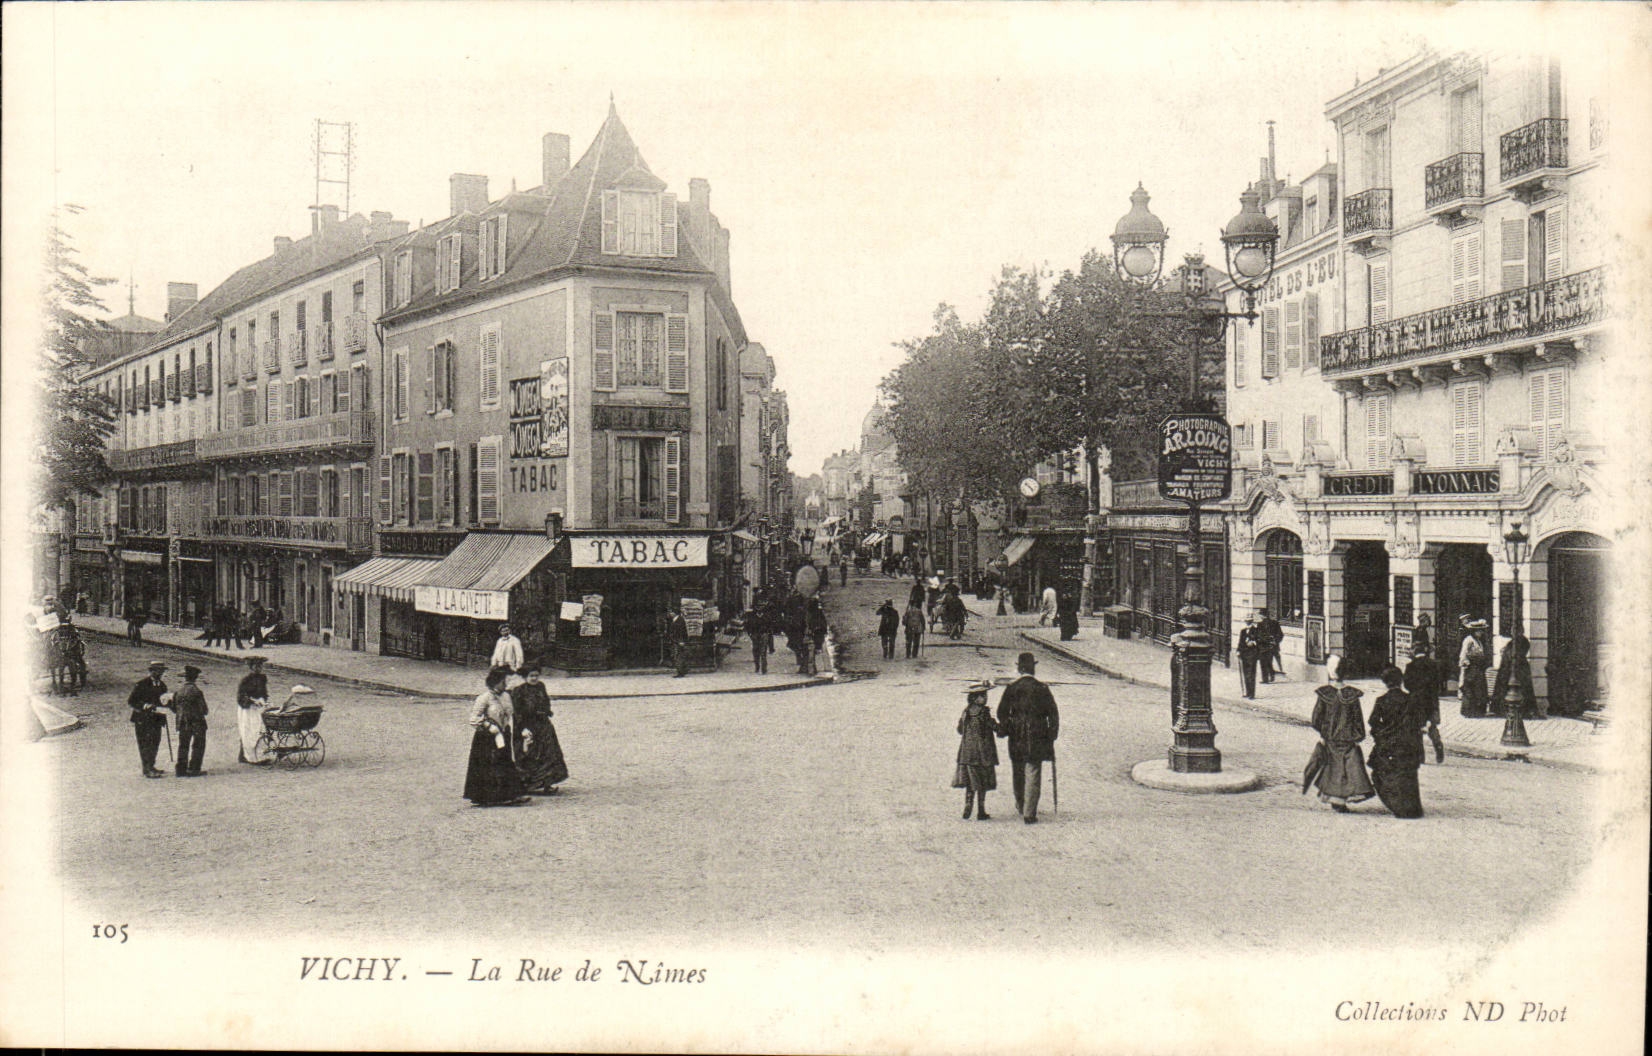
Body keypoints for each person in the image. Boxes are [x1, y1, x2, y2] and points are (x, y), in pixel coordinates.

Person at [1305, 654, 1375, 812]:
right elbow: (1358, 719)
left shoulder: (1325, 694)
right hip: (1348, 739)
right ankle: (1342, 799)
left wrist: (1324, 733)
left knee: (1333, 768)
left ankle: (1335, 799)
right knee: (1348, 769)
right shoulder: (1352, 695)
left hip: (1330, 738)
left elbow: (1316, 718)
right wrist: (1358, 736)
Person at [995, 652, 1059, 824]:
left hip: (1016, 735)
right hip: (1038, 734)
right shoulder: (1042, 689)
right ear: (1033, 669)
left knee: (1018, 770)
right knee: (1033, 771)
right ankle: (1029, 813)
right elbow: (1053, 713)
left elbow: (1001, 712)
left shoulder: (1012, 688)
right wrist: (1052, 734)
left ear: (1019, 668)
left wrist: (1007, 726)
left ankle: (1020, 804)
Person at [464, 667, 530, 807]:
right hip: (487, 738)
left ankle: (512, 794)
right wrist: (488, 726)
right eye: (502, 682)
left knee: (505, 763)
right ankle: (486, 797)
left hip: (503, 734)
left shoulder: (506, 696)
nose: (505, 685)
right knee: (487, 766)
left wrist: (521, 728)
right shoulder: (484, 698)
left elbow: (512, 714)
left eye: (505, 682)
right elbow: (474, 718)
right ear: (494, 683)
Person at [1367, 666, 1426, 819]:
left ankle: (1395, 804)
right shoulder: (1410, 700)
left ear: (1385, 682)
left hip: (1388, 743)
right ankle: (1412, 807)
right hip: (1407, 743)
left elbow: (1373, 721)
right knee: (1408, 775)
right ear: (1401, 681)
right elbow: (1419, 721)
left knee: (1385, 773)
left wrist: (1380, 734)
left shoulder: (1381, 701)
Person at [512, 664, 567, 795]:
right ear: (525, 677)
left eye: (536, 675)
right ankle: (528, 785)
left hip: (543, 726)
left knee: (549, 753)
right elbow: (517, 712)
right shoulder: (519, 691)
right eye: (531, 676)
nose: (534, 678)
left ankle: (548, 784)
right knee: (530, 755)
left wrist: (545, 711)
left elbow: (546, 702)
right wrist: (522, 728)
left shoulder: (541, 687)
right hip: (527, 727)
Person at [953, 680, 1000, 820]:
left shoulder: (966, 712)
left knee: (970, 781)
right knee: (983, 780)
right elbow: (992, 726)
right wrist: (1001, 727)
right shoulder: (984, 712)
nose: (985, 698)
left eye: (985, 695)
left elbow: (960, 730)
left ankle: (968, 804)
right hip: (983, 752)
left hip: (967, 752)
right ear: (974, 698)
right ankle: (981, 810)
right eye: (982, 695)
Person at [127, 660, 171, 778]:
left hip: (157, 719)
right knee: (145, 744)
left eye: (161, 671)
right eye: (157, 671)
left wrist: (168, 703)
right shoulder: (142, 684)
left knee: (155, 743)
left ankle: (151, 766)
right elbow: (131, 701)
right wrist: (145, 706)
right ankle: (147, 769)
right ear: (151, 671)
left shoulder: (162, 685)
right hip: (143, 719)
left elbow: (164, 701)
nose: (160, 673)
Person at [1403, 643, 1445, 764]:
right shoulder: (1433, 664)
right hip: (1431, 699)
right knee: (1432, 725)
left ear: (1415, 651)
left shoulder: (1410, 666)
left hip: (1416, 700)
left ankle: (1421, 757)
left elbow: (1407, 684)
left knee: (1417, 728)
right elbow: (1438, 682)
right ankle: (1438, 744)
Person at [171, 664, 209, 777]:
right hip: (197, 722)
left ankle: (181, 769)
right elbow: (204, 710)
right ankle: (194, 768)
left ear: (185, 678)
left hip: (182, 722)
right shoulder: (197, 691)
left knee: (183, 745)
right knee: (198, 745)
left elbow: (174, 708)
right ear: (195, 678)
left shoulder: (178, 691)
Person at [1490, 630, 1538, 721]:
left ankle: (1519, 710)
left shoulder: (1520, 642)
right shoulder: (1513, 642)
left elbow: (1519, 654)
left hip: (1515, 669)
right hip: (1509, 669)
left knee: (1520, 689)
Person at [235, 654, 273, 765]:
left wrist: (264, 700)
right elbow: (241, 696)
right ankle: (249, 757)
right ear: (251, 667)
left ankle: (259, 755)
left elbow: (264, 692)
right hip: (247, 709)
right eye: (256, 666)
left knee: (259, 730)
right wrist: (251, 701)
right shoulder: (245, 680)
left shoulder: (262, 678)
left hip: (258, 708)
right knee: (248, 731)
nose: (259, 669)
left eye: (260, 666)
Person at [1457, 616, 1490, 717]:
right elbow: (1463, 654)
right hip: (1471, 668)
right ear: (1474, 631)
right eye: (1480, 631)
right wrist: (1466, 664)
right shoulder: (1469, 640)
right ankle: (1469, 711)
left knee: (1479, 689)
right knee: (1470, 689)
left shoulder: (1478, 641)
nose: (1481, 633)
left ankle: (1478, 711)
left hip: (1478, 667)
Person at [1236, 614, 1264, 699]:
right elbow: (1240, 642)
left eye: (1249, 621)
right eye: (1246, 621)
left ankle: (1252, 693)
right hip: (1244, 654)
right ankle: (1247, 692)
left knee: (1251, 674)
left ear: (1252, 621)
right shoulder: (1243, 631)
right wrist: (1238, 650)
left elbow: (1260, 641)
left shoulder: (1256, 630)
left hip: (1252, 654)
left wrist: (1254, 643)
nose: (1248, 622)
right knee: (1245, 673)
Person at [745, 597, 772, 674]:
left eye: (761, 606)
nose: (759, 608)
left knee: (763, 652)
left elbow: (770, 626)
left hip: (764, 634)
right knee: (756, 651)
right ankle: (757, 666)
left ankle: (764, 668)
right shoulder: (752, 616)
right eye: (758, 606)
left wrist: (768, 634)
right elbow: (748, 625)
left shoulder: (767, 616)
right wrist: (750, 634)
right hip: (755, 635)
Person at [1257, 609, 1284, 683]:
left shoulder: (1260, 624)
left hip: (1263, 647)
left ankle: (1265, 679)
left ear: (1261, 615)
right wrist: (1275, 641)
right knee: (1269, 662)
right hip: (1273, 646)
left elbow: (1258, 636)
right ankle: (1271, 676)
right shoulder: (1275, 623)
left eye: (1260, 614)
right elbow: (1281, 635)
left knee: (1263, 663)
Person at [667, 606, 691, 677]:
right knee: (677, 655)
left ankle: (681, 672)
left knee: (679, 656)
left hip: (679, 641)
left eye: (671, 612)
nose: (670, 613)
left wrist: (682, 641)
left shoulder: (680, 620)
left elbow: (682, 632)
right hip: (676, 640)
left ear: (674, 613)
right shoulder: (675, 620)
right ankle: (682, 671)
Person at [806, 595, 829, 669]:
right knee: (818, 640)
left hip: (816, 628)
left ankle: (818, 649)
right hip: (817, 628)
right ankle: (818, 649)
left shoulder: (812, 612)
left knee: (817, 640)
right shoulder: (818, 611)